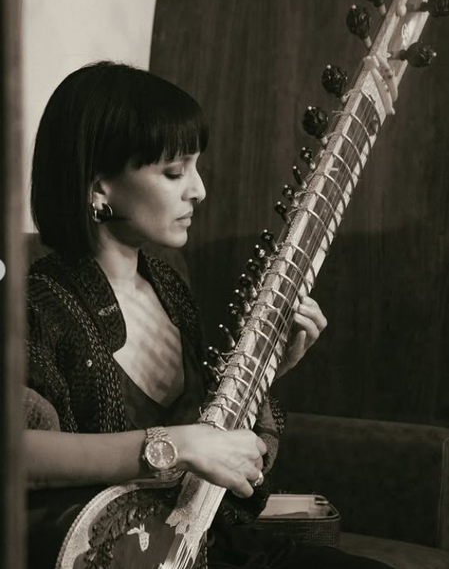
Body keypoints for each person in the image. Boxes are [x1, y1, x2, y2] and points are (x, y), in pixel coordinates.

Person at [25, 61, 392, 569]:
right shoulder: (38, 303)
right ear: (99, 187)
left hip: (203, 545)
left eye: (195, 168)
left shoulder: (168, 287)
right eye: (174, 172)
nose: (197, 190)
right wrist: (175, 446)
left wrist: (270, 368)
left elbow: (209, 443)